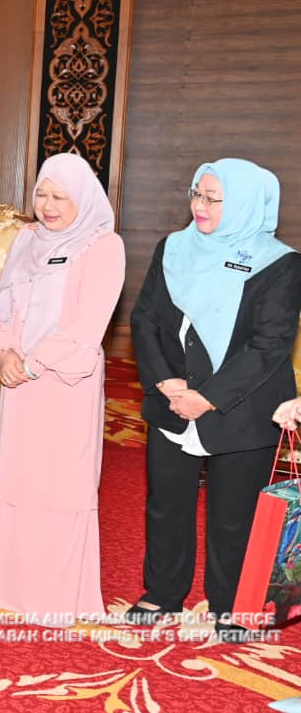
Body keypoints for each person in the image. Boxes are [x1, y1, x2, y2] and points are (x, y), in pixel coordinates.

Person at [128, 158, 301, 641]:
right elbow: (144, 319)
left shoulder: (281, 264)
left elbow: (269, 345)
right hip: (172, 399)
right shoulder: (173, 247)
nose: (198, 206)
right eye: (196, 194)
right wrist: (166, 382)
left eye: (212, 198)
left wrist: (207, 397)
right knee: (166, 504)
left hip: (242, 407)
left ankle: (231, 604)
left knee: (234, 514)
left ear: (244, 204)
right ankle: (163, 591)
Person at [0, 153, 125, 626]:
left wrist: (33, 364)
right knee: (17, 477)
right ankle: (6, 583)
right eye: (42, 194)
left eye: (60, 196)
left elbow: (88, 324)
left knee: (58, 482)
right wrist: (4, 354)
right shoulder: (26, 239)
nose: (48, 205)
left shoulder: (103, 246)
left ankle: (52, 593)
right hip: (19, 381)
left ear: (84, 198)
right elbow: (2, 305)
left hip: (64, 384)